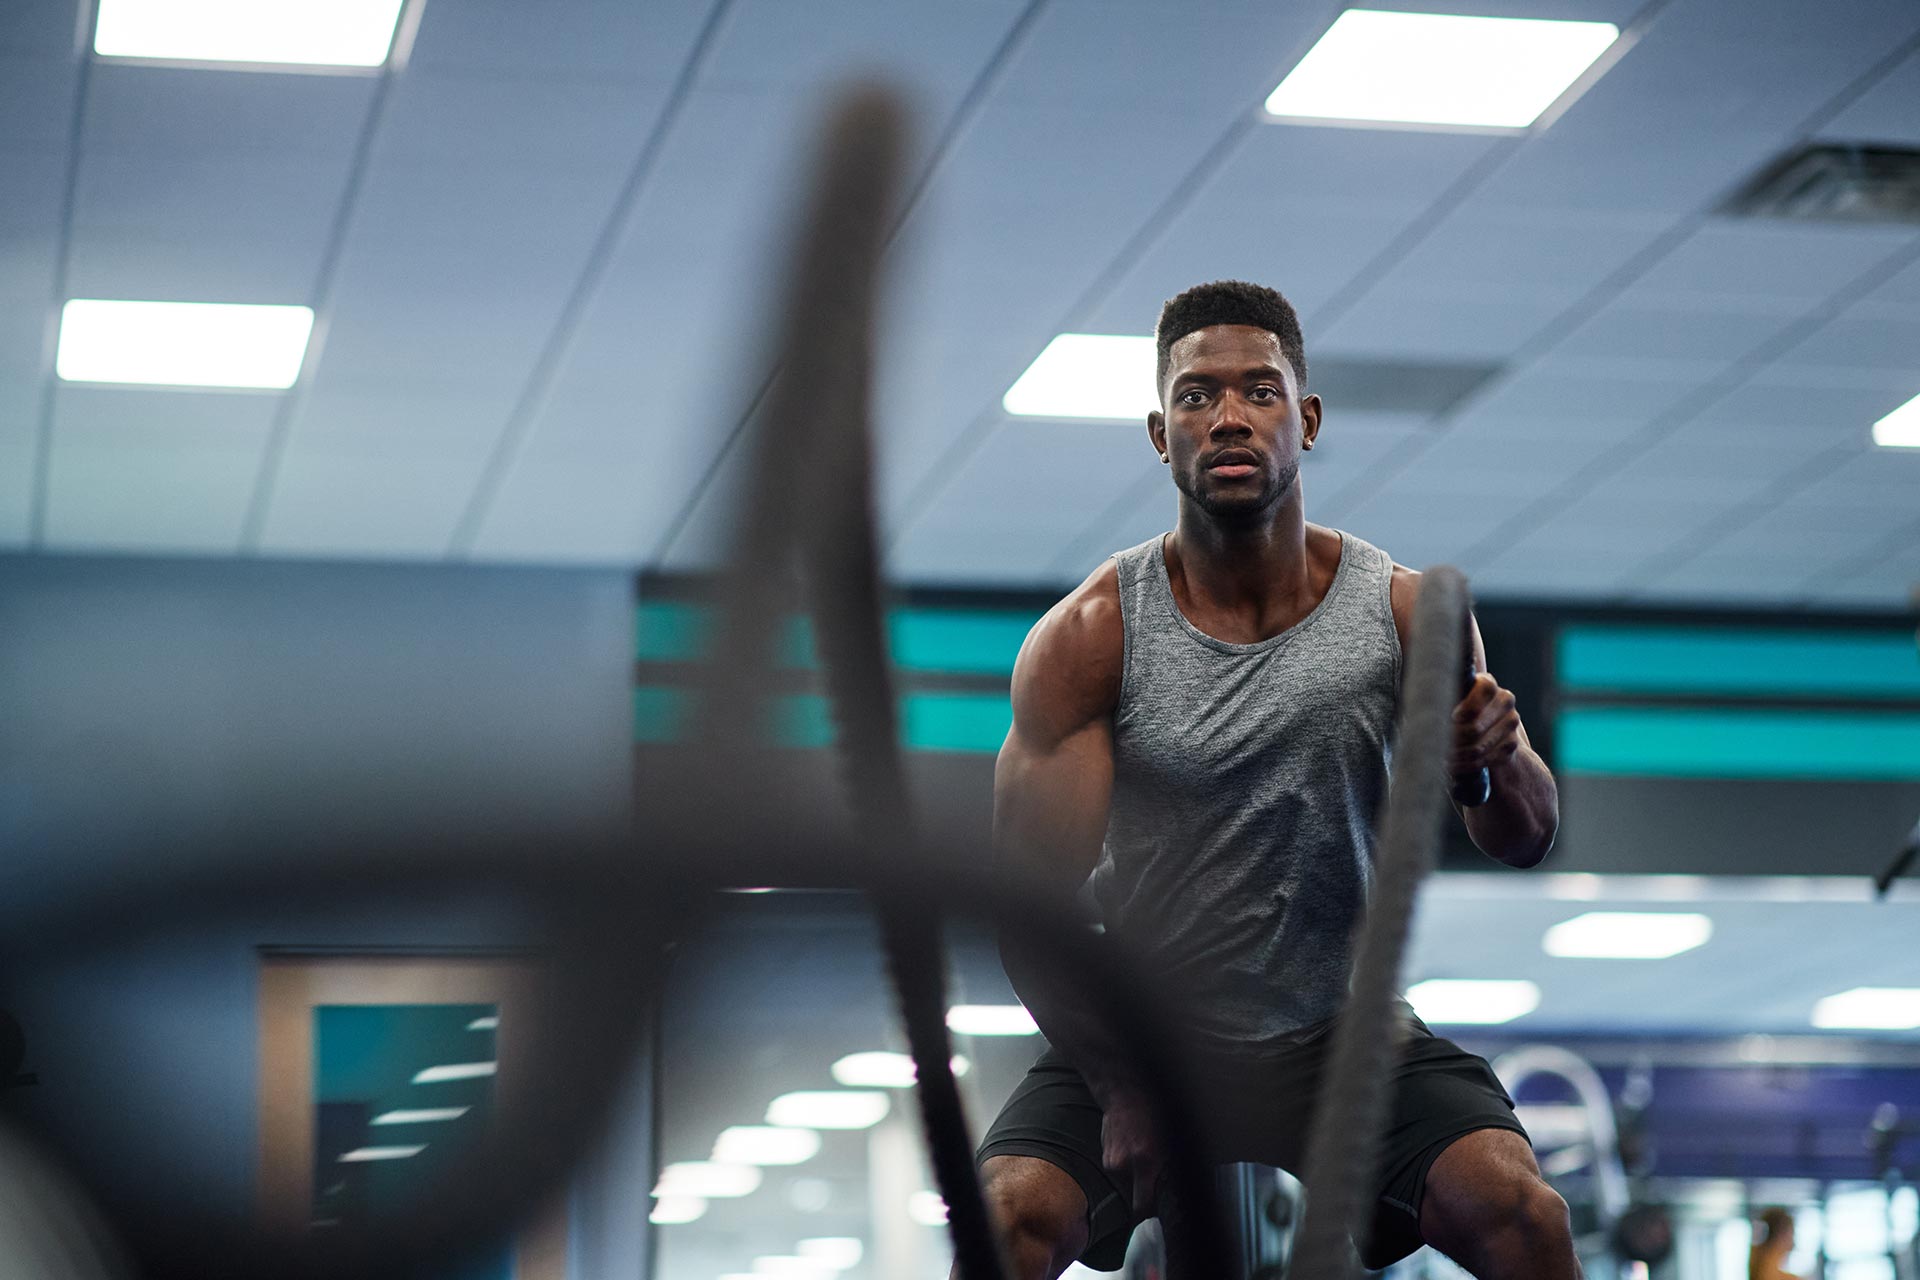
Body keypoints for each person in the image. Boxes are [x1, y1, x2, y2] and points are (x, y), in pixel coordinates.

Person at [964, 281, 1573, 1279]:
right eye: (1198, 397)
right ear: (1162, 434)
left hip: (1344, 1034)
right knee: (1005, 1224)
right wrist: (1122, 1085)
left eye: (1260, 389)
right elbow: (1026, 906)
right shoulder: (1090, 638)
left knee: (1522, 1214)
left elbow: (1523, 832)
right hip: (1149, 1031)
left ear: (1308, 418)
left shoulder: (1410, 612)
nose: (1231, 416)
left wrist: (1499, 758)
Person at [1749, 1207, 1801, 1280]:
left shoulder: (1757, 1268)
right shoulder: (1780, 1277)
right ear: (1781, 1235)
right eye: (1792, 1233)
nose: (1794, 1239)